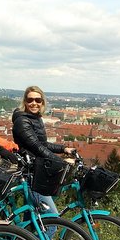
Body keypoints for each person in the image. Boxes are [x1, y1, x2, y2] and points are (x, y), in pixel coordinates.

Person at [12, 85, 75, 217]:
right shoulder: (22, 121)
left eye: (37, 100)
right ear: (25, 102)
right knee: (51, 220)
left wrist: (64, 149)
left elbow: (44, 144)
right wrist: (61, 161)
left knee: (33, 220)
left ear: (42, 102)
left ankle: (22, 238)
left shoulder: (35, 118)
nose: (34, 103)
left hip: (37, 171)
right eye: (30, 100)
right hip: (32, 175)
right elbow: (37, 147)